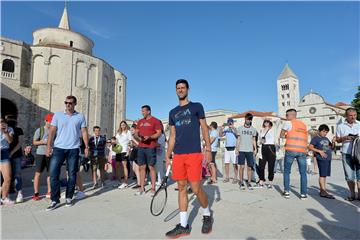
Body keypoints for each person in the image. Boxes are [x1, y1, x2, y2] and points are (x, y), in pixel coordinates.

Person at [165, 79, 213, 238]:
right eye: (177, 88)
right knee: (181, 187)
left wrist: (208, 148)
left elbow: (205, 128)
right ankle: (184, 225)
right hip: (178, 154)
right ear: (175, 90)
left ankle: (207, 214)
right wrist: (168, 154)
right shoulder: (172, 112)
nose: (180, 90)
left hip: (193, 153)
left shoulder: (196, 107)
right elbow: (172, 135)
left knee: (196, 188)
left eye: (182, 87)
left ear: (188, 89)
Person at [45, 95, 89, 211]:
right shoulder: (58, 115)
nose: (68, 105)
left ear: (75, 104)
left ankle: (69, 197)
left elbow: (84, 132)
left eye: (70, 103)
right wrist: (49, 146)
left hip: (74, 149)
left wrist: (86, 146)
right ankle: (55, 199)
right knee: (54, 173)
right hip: (58, 148)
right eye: (66, 102)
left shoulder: (80, 116)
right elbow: (52, 132)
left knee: (72, 174)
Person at [280, 109, 308, 200]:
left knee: (287, 171)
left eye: (287, 115)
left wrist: (286, 136)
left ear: (292, 115)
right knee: (303, 173)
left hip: (291, 150)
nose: (286, 117)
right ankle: (303, 194)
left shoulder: (288, 123)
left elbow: (281, 135)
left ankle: (287, 191)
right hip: (302, 151)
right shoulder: (303, 125)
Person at [135, 105, 162, 196]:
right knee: (141, 167)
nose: (142, 113)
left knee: (151, 167)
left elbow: (158, 133)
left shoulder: (156, 121)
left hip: (151, 147)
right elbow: (136, 133)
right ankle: (142, 188)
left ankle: (153, 188)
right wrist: (137, 136)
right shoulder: (140, 121)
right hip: (141, 147)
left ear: (149, 111)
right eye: (141, 111)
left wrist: (150, 137)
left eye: (143, 111)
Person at [336, 107, 360, 201]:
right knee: (349, 176)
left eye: (355, 115)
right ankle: (352, 194)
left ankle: (359, 194)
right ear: (346, 116)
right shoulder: (340, 126)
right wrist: (346, 137)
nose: (353, 117)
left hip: (359, 153)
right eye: (351, 116)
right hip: (346, 153)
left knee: (359, 175)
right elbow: (337, 140)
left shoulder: (359, 124)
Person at [309, 124, 335, 199]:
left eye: (326, 132)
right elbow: (310, 147)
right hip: (321, 159)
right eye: (324, 131)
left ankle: (324, 190)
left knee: (324, 175)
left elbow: (331, 147)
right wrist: (319, 151)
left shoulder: (326, 138)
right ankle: (322, 191)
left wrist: (333, 142)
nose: (325, 133)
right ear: (319, 131)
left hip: (328, 159)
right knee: (322, 175)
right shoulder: (315, 138)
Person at [32, 113, 53, 200]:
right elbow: (34, 142)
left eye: (52, 122)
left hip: (50, 154)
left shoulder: (54, 130)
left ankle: (49, 191)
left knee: (50, 173)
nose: (50, 123)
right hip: (40, 154)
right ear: (45, 121)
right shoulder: (39, 130)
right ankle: (36, 193)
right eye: (49, 121)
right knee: (38, 173)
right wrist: (44, 142)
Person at [236, 113, 257, 190]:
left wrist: (255, 149)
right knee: (241, 167)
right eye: (247, 119)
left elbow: (253, 140)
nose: (248, 120)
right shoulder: (240, 128)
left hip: (250, 150)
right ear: (245, 119)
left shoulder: (253, 129)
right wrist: (237, 149)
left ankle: (249, 182)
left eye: (249, 119)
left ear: (251, 120)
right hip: (241, 150)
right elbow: (238, 139)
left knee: (249, 168)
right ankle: (241, 182)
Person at [6, 115, 24, 203]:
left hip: (16, 155)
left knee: (17, 174)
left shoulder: (19, 130)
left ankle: (19, 193)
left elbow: (20, 143)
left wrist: (11, 153)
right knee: (6, 176)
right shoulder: (5, 130)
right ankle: (6, 194)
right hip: (5, 155)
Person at [258, 120, 276, 189]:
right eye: (265, 122)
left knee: (271, 166)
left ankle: (270, 182)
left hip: (271, 147)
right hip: (263, 147)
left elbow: (277, 121)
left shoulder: (273, 129)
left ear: (270, 123)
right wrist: (260, 142)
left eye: (267, 122)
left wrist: (269, 118)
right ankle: (261, 180)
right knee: (261, 165)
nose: (266, 123)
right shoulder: (261, 130)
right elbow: (260, 139)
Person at [0, 117, 14, 205]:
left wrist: (5, 132)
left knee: (7, 178)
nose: (1, 123)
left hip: (4, 152)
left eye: (2, 121)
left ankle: (4, 197)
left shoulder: (9, 129)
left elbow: (10, 141)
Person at [220, 118, 238, 183]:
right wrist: (222, 128)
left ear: (233, 123)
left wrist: (233, 128)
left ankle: (235, 177)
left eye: (231, 123)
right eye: (229, 123)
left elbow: (237, 135)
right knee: (226, 163)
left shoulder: (235, 129)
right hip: (227, 148)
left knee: (234, 164)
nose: (230, 124)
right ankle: (227, 177)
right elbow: (220, 135)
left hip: (233, 148)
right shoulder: (226, 130)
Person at [115, 121, 132, 189]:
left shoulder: (128, 132)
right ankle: (119, 182)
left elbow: (130, 142)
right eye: (121, 125)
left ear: (126, 125)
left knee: (124, 165)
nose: (122, 126)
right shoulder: (118, 133)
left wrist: (128, 150)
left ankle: (125, 182)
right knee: (118, 166)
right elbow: (116, 141)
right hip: (118, 151)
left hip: (124, 150)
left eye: (124, 125)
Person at [129, 124, 141, 189]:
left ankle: (139, 183)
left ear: (136, 129)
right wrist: (131, 144)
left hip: (138, 152)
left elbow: (140, 144)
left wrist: (133, 140)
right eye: (130, 130)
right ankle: (139, 182)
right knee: (134, 169)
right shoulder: (133, 136)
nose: (131, 131)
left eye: (132, 130)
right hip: (134, 151)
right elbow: (134, 145)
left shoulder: (137, 135)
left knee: (137, 169)